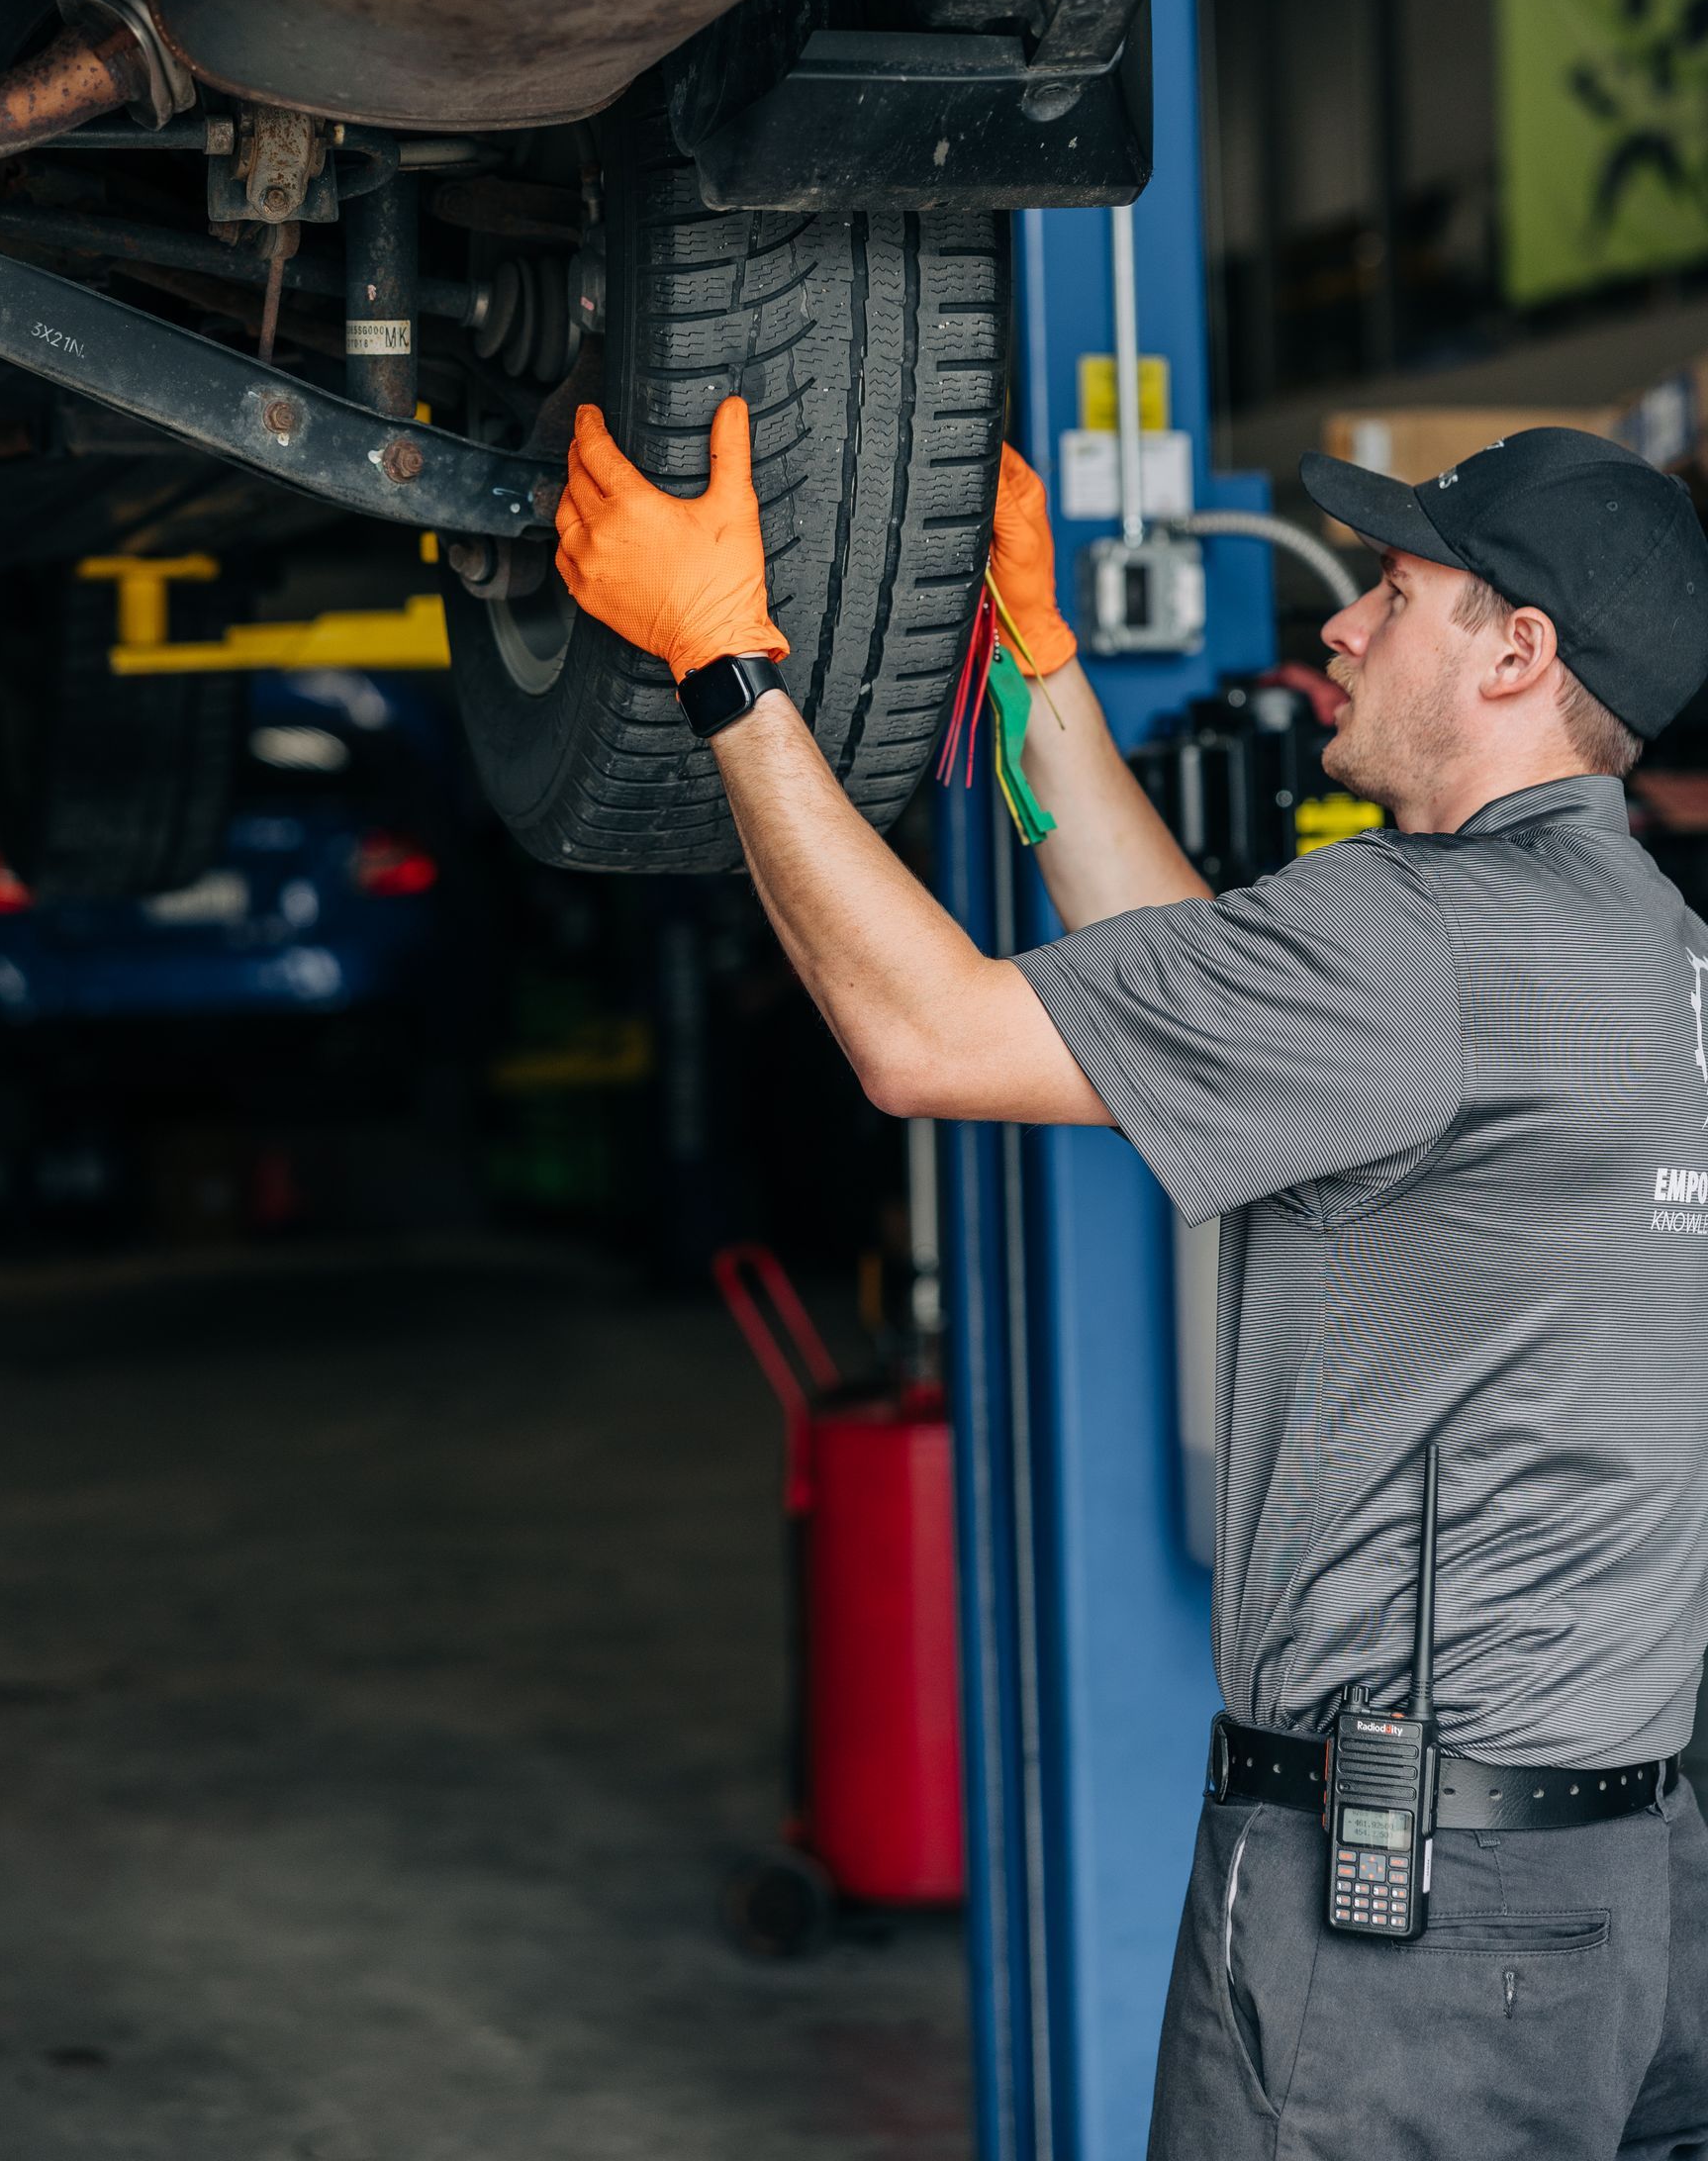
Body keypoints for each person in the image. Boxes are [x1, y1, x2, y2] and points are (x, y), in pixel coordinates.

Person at [554, 398, 1708, 2159]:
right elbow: (1197, 999)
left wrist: (726, 668)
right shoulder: (1650, 952)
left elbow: (922, 1038)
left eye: (1394, 590)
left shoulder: (1424, 937)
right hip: (1622, 1886)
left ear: (1516, 654)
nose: (1338, 619)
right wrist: (1045, 686)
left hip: (1404, 1919)